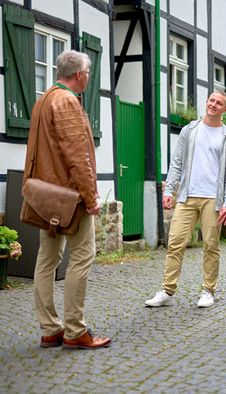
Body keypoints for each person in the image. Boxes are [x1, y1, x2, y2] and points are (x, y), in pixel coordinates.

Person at [23, 50, 111, 349]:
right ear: (78, 75)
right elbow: (77, 157)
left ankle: (50, 329)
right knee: (82, 257)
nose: (88, 75)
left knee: (47, 260)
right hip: (70, 198)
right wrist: (90, 197)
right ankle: (75, 331)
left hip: (46, 196)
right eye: (87, 71)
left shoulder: (44, 98)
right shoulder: (67, 101)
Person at [145, 91, 226, 308]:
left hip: (212, 200)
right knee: (175, 243)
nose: (213, 105)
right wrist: (169, 190)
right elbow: (177, 162)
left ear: (225, 109)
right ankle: (167, 291)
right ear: (206, 102)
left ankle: (208, 291)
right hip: (186, 196)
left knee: (211, 245)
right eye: (211, 101)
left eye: (219, 103)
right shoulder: (190, 130)